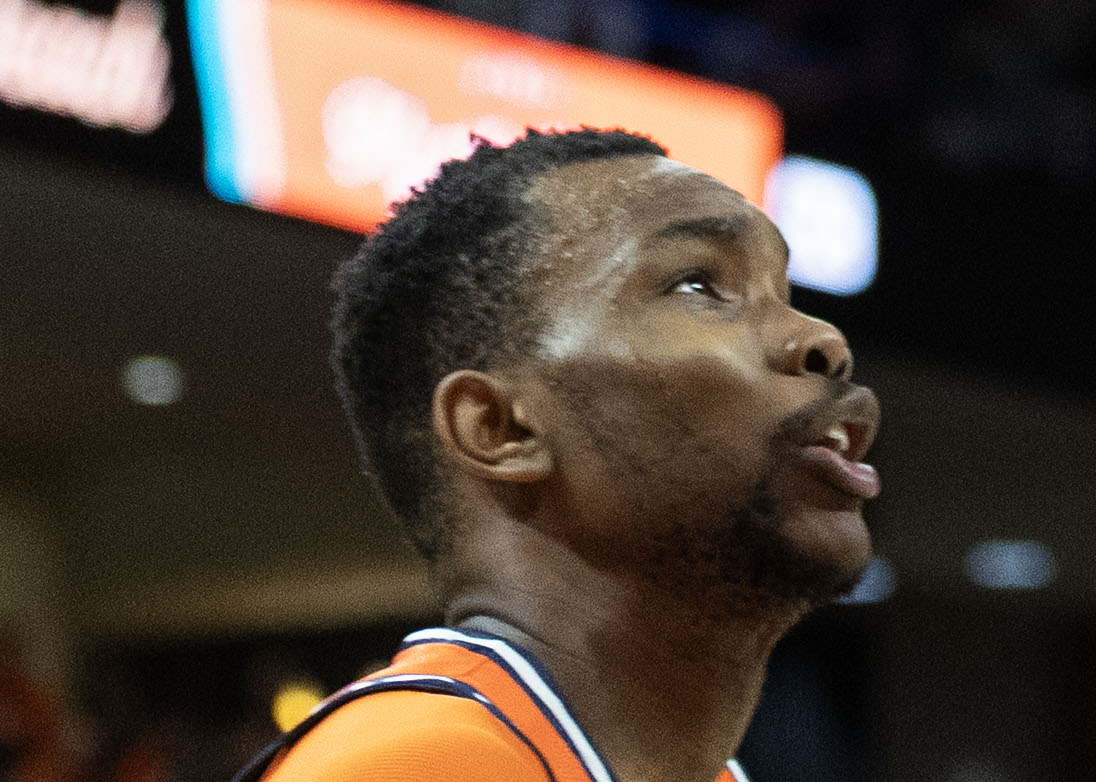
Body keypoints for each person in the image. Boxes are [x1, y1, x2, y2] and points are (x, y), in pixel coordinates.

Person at [258, 129, 877, 780]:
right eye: (699, 285)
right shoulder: (416, 765)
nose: (823, 339)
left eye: (783, 292)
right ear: (500, 429)